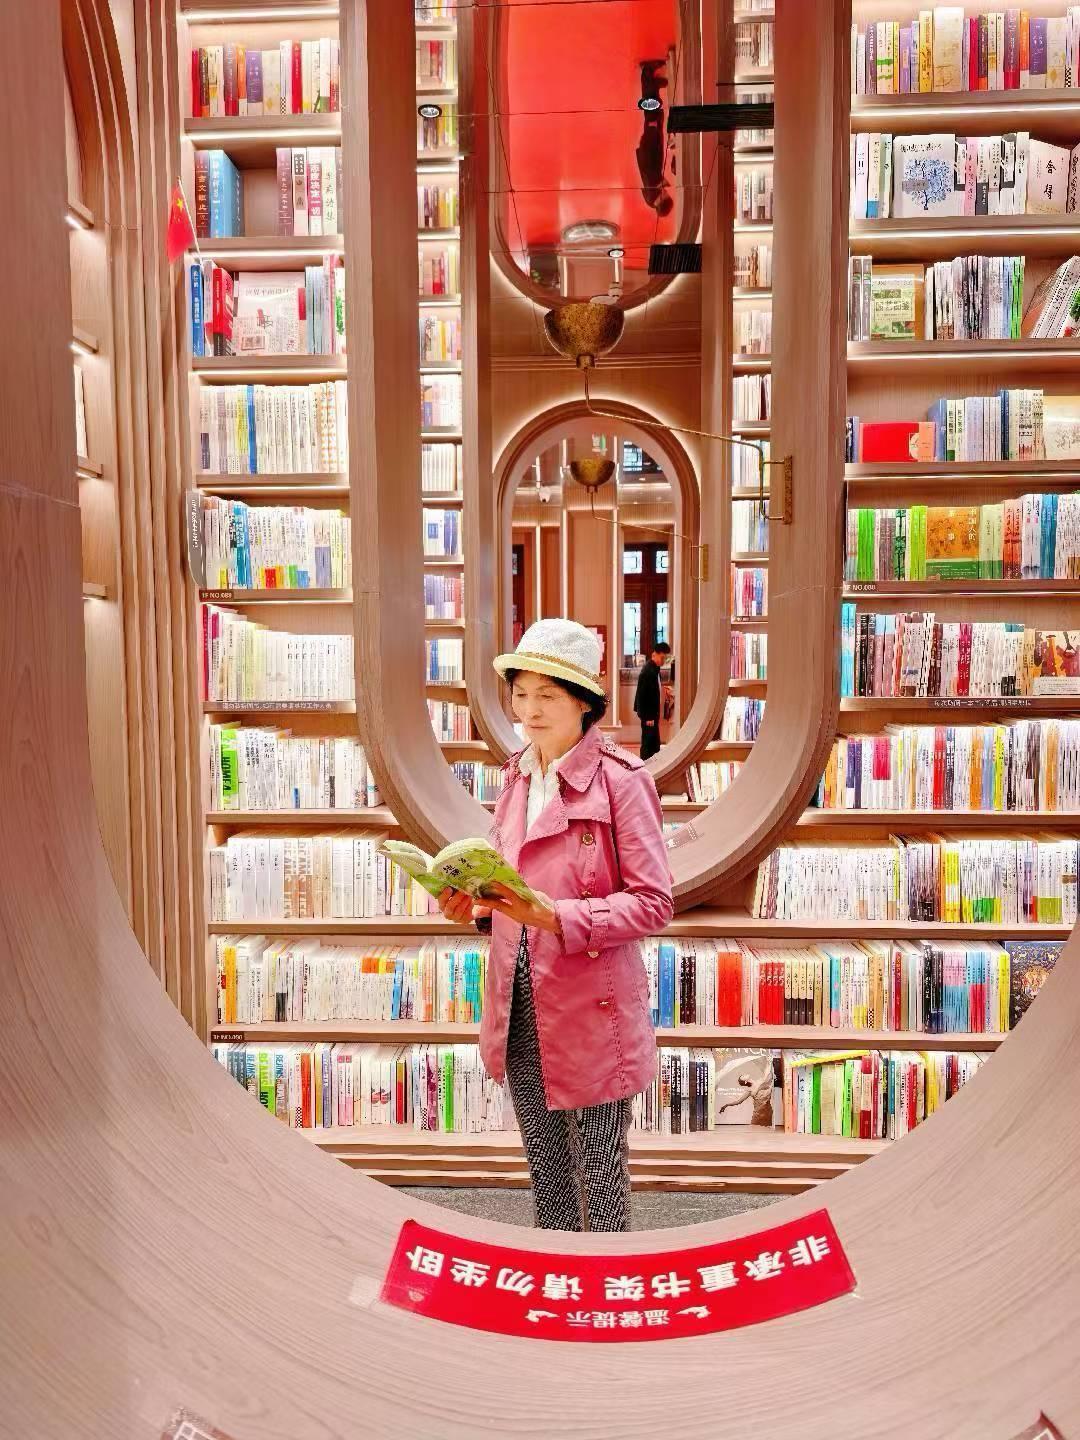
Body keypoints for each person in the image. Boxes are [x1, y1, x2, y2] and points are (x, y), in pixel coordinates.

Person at [437, 618, 673, 1232]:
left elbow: (654, 903)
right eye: (521, 694)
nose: (530, 711)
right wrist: (479, 906)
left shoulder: (623, 781)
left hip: (591, 1004)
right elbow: (511, 881)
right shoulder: (516, 774)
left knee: (598, 1172)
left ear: (584, 702)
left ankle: (605, 1280)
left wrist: (553, 915)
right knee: (544, 1167)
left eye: (548, 695)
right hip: (517, 995)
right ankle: (556, 1274)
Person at [633, 640, 671, 760]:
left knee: (654, 743)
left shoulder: (654, 669)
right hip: (649, 715)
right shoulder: (648, 671)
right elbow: (642, 695)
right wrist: (648, 717)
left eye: (665, 658)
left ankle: (653, 765)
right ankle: (645, 766)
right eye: (662, 658)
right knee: (648, 743)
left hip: (652, 714)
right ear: (655, 654)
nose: (664, 661)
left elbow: (654, 689)